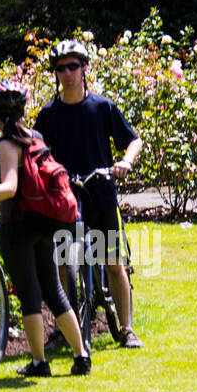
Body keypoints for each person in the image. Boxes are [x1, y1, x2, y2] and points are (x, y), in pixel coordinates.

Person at [0, 81, 91, 377]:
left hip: (18, 225)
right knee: (54, 291)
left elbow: (9, 187)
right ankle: (81, 357)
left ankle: (40, 363)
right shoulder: (36, 136)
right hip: (45, 222)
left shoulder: (7, 142)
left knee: (30, 296)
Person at [34, 39, 145, 349]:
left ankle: (126, 329)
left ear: (84, 69)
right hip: (64, 199)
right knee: (64, 267)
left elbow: (134, 141)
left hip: (100, 195)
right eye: (60, 69)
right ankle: (64, 329)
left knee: (112, 263)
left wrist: (125, 161)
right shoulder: (49, 114)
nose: (67, 73)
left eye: (73, 67)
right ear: (55, 74)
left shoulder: (102, 107)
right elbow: (37, 151)